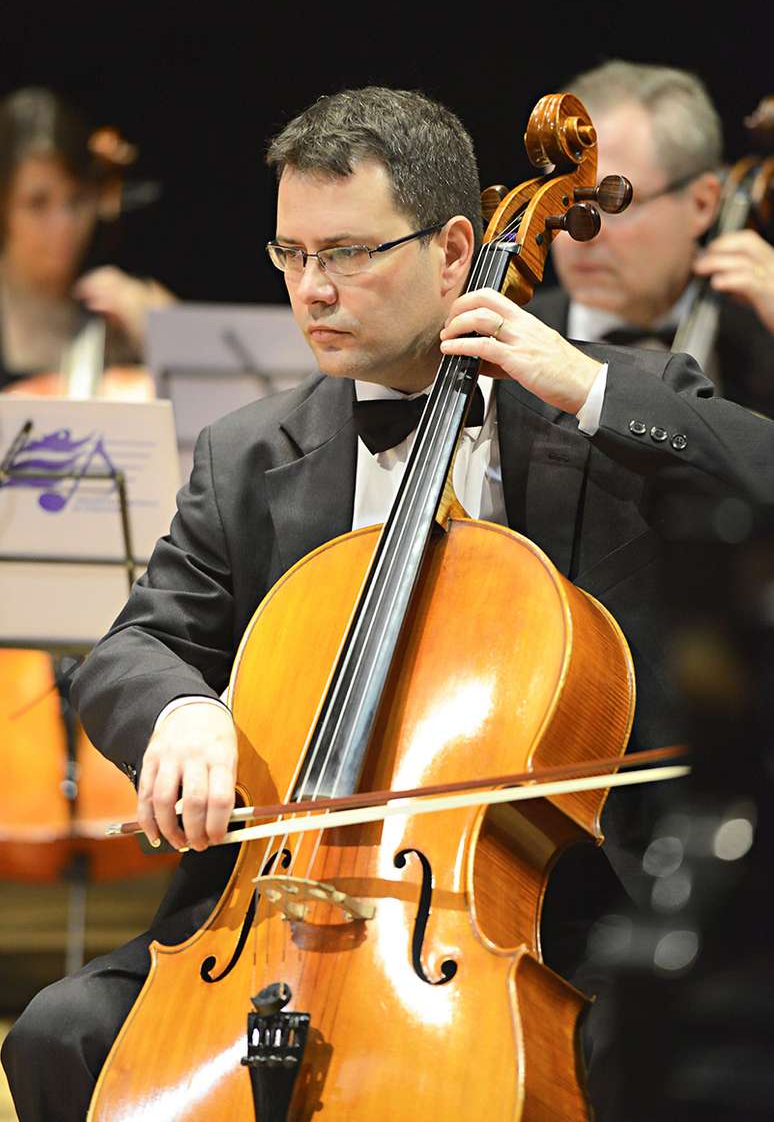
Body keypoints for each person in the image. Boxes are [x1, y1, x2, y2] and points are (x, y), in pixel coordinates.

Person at [3, 85, 773, 1122]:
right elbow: (135, 644)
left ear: (457, 250)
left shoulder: (593, 403)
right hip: (275, 915)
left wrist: (586, 387)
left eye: (350, 253)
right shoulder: (249, 453)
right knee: (61, 1029)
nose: (312, 289)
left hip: (560, 910)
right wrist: (182, 711)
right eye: (291, 255)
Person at [526, 59, 774, 417]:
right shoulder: (504, 340)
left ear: (702, 203)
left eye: (612, 202)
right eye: (563, 199)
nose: (578, 233)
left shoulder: (764, 340)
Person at [0, 86, 175, 393]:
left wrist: (163, 331)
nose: (64, 225)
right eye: (37, 203)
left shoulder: (118, 307)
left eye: (78, 200)